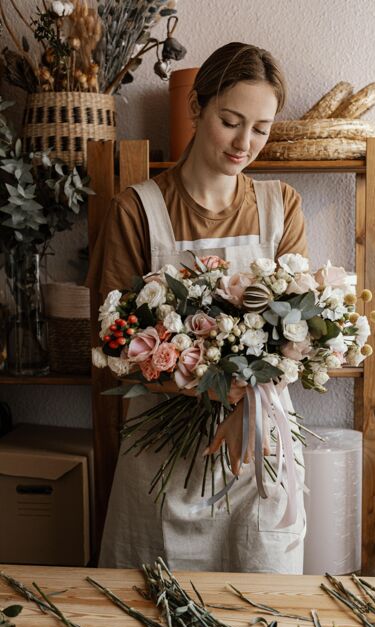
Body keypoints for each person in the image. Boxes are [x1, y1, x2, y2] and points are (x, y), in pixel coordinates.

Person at [87, 42, 308, 573]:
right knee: (157, 602)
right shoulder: (136, 210)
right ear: (196, 108)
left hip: (259, 451)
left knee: (261, 603)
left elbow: (300, 330)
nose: (244, 142)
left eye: (261, 127)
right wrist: (207, 383)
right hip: (164, 462)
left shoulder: (283, 206)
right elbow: (113, 344)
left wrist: (245, 401)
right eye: (231, 121)